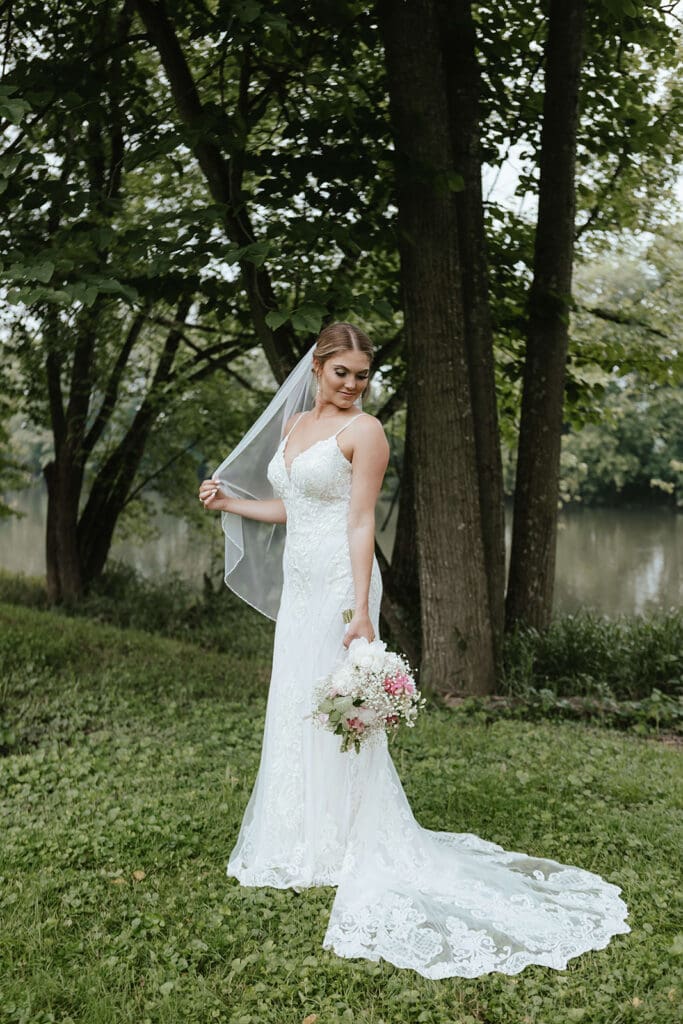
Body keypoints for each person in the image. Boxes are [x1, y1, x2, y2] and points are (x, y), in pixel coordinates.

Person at [198, 322, 630, 979]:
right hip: (301, 586)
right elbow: (293, 509)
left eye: (361, 375)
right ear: (317, 368)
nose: (352, 384)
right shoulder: (294, 427)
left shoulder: (365, 432)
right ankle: (297, 835)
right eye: (341, 372)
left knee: (339, 708)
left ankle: (344, 838)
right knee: (297, 701)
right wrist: (230, 502)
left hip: (341, 585)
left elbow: (359, 520)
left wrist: (360, 612)